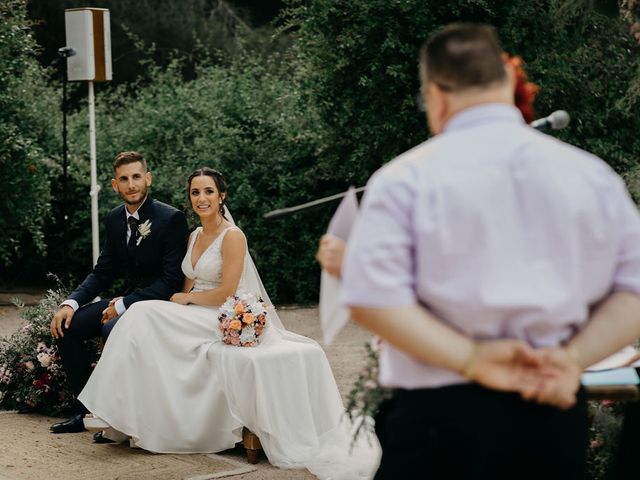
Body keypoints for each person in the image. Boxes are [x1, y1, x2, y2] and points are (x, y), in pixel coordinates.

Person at [340, 23, 640, 479]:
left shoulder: (405, 179)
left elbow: (371, 297)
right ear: (507, 82)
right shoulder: (591, 176)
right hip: (551, 412)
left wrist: (474, 360)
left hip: (437, 419)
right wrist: (572, 358)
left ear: (435, 95)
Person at [77, 167, 376, 479]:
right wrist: (178, 302)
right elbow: (185, 287)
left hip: (218, 312)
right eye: (195, 192)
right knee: (143, 318)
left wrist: (185, 301)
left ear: (222, 197)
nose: (201, 198)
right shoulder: (193, 236)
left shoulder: (233, 237)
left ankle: (107, 409)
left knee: (139, 313)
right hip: (193, 310)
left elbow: (227, 292)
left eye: (208, 192)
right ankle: (125, 415)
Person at [49, 151, 189, 434]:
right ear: (115, 185)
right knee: (68, 327)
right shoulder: (114, 218)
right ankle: (85, 412)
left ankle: (119, 419)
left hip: (157, 305)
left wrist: (124, 304)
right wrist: (71, 303)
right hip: (124, 301)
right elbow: (103, 271)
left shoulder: (171, 218)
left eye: (136, 177)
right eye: (124, 179)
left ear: (147, 178)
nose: (131, 184)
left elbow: (171, 280)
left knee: (112, 327)